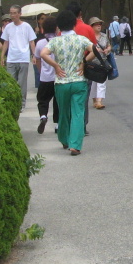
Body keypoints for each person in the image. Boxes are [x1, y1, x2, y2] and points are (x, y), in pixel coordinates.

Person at [40, 10, 94, 156]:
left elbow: (43, 54)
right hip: (78, 80)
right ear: (74, 24)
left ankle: (64, 138)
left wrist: (56, 66)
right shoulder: (81, 39)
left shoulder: (55, 41)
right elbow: (95, 50)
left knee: (63, 112)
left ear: (59, 26)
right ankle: (75, 145)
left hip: (61, 82)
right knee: (78, 112)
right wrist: (84, 62)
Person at [0, 5, 38, 111]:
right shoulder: (8, 27)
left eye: (14, 13)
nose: (12, 15)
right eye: (11, 13)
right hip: (11, 58)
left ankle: (21, 103)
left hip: (23, 58)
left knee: (22, 82)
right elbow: (6, 42)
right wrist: (2, 56)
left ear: (19, 14)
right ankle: (12, 101)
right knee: (11, 82)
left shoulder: (26, 26)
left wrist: (34, 55)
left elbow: (31, 42)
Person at [68, 2, 98, 133]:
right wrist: (84, 61)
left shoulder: (64, 31)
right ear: (80, 14)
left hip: (67, 67)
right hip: (84, 66)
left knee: (68, 98)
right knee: (83, 97)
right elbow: (94, 49)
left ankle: (69, 125)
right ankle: (82, 125)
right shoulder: (87, 29)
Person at [34, 17, 60, 135]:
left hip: (45, 78)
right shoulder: (60, 41)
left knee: (42, 100)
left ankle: (43, 116)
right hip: (58, 77)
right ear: (56, 28)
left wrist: (41, 71)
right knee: (58, 101)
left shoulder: (40, 43)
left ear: (43, 29)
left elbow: (38, 60)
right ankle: (58, 125)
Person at [88, 17, 112, 110]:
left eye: (100, 24)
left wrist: (108, 49)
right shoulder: (88, 37)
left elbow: (109, 45)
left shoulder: (104, 36)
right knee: (93, 83)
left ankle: (99, 101)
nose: (99, 25)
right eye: (96, 24)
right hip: (91, 63)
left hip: (102, 62)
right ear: (91, 26)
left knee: (101, 82)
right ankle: (95, 100)